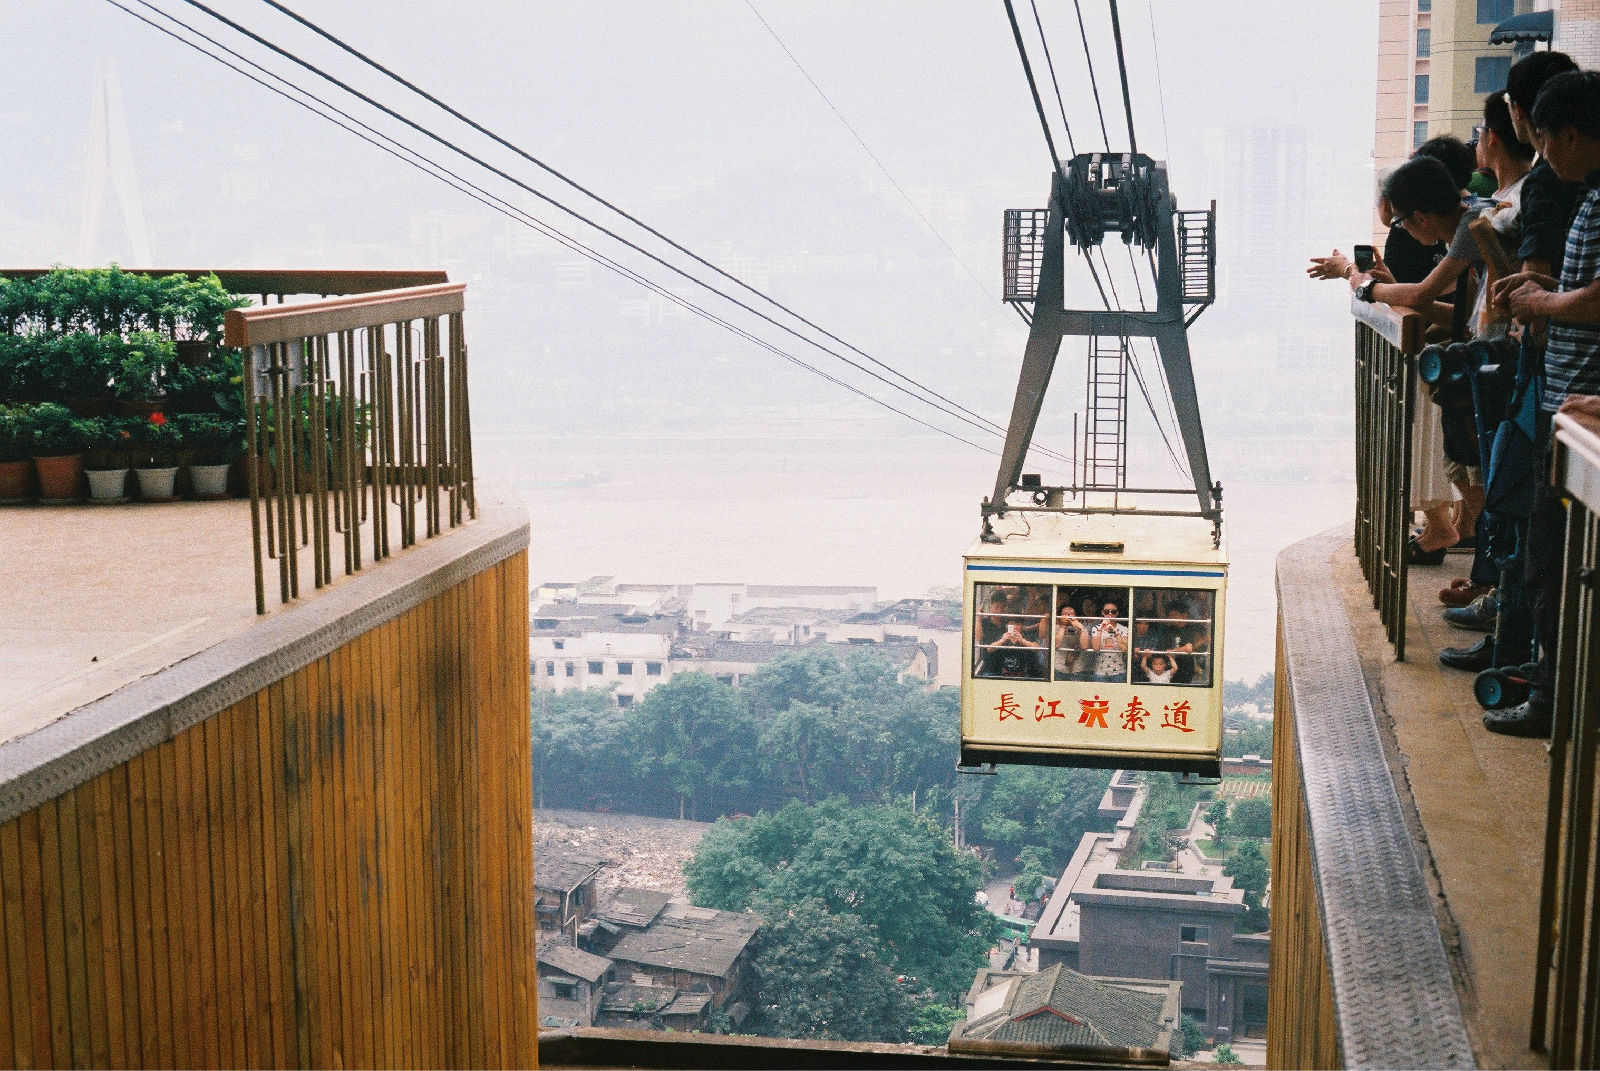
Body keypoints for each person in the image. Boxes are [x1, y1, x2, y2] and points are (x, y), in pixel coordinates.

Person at [1488, 69, 1600, 736]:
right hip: (1565, 411)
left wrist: (1543, 302)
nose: (1544, 155)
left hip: (1581, 419)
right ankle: (1557, 691)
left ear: (1572, 133)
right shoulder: (1587, 196)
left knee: (1558, 570)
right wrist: (1542, 284)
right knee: (1545, 563)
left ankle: (1561, 704)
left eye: (1546, 140)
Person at [1089, 599, 1129, 683]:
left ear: (1117, 613)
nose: (1110, 614)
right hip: (1100, 672)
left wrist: (1115, 632)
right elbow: (1096, 648)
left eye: (1113, 612)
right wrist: (1101, 629)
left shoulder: (1124, 629)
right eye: (1107, 611)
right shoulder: (1096, 628)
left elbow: (1124, 649)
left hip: (1119, 672)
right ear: (1102, 613)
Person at [1053, 599, 1089, 679]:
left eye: (1071, 614)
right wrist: (1062, 627)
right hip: (1059, 669)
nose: (1068, 616)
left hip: (1078, 670)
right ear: (1060, 616)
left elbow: (1085, 646)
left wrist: (1081, 628)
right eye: (1065, 614)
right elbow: (1056, 645)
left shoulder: (1082, 628)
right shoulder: (1055, 628)